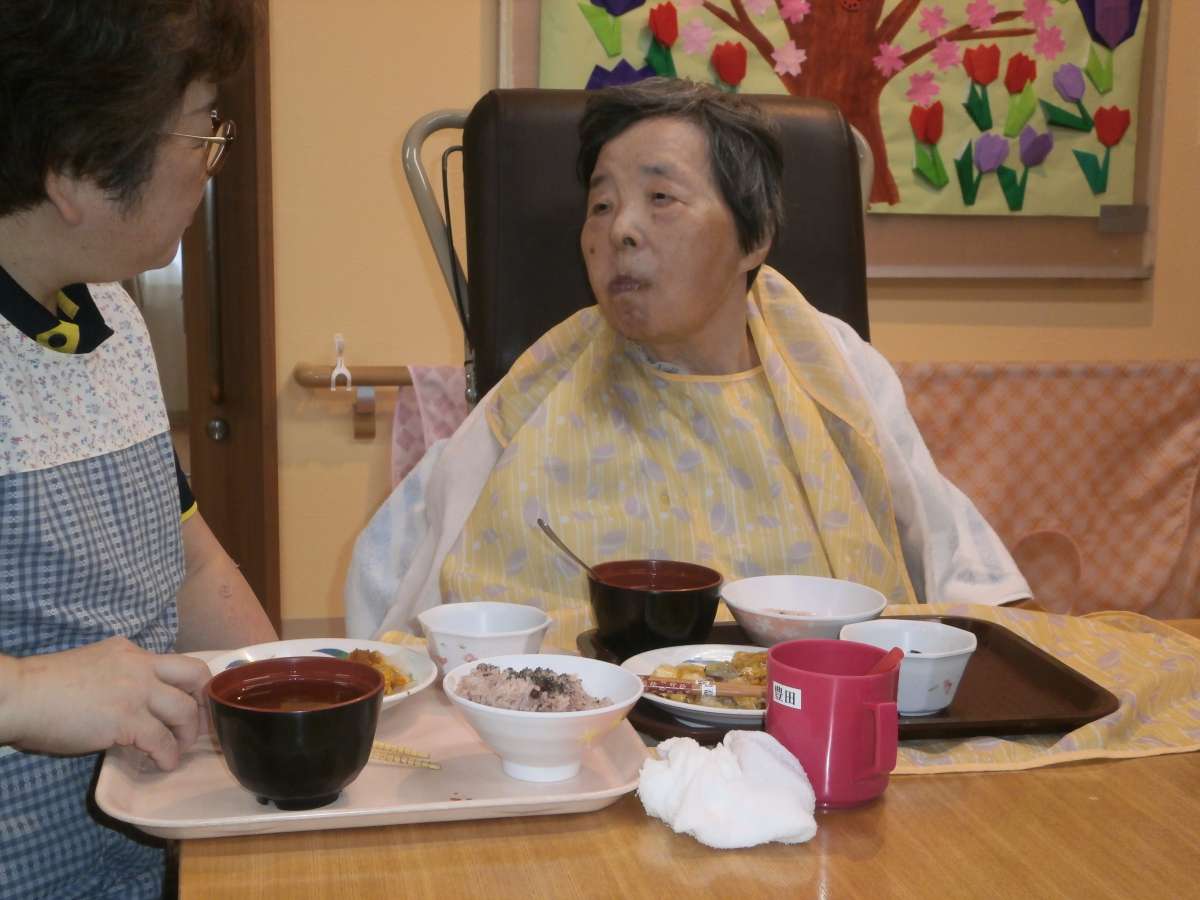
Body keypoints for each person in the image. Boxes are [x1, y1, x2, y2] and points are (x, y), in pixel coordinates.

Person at [345, 78, 1029, 651]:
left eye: (661, 198)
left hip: (817, 710)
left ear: (754, 237)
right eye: (601, 205)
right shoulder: (544, 380)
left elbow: (955, 553)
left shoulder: (834, 367)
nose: (619, 229)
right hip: (579, 718)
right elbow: (399, 571)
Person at [0, 2, 276, 896]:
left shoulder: (109, 315)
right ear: (75, 169)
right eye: (201, 131)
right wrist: (23, 691)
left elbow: (189, 565)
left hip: (146, 851)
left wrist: (280, 700)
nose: (211, 160)